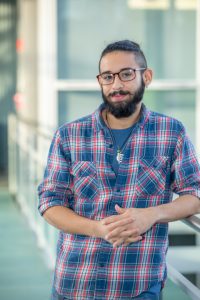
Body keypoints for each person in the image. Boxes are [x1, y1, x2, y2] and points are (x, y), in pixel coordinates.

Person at [38, 40, 200, 300]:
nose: (116, 85)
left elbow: (195, 194)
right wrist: (99, 230)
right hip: (75, 283)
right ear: (100, 81)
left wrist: (151, 215)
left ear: (146, 76)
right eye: (107, 77)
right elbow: (49, 203)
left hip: (137, 286)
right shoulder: (68, 136)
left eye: (126, 74)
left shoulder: (172, 133)